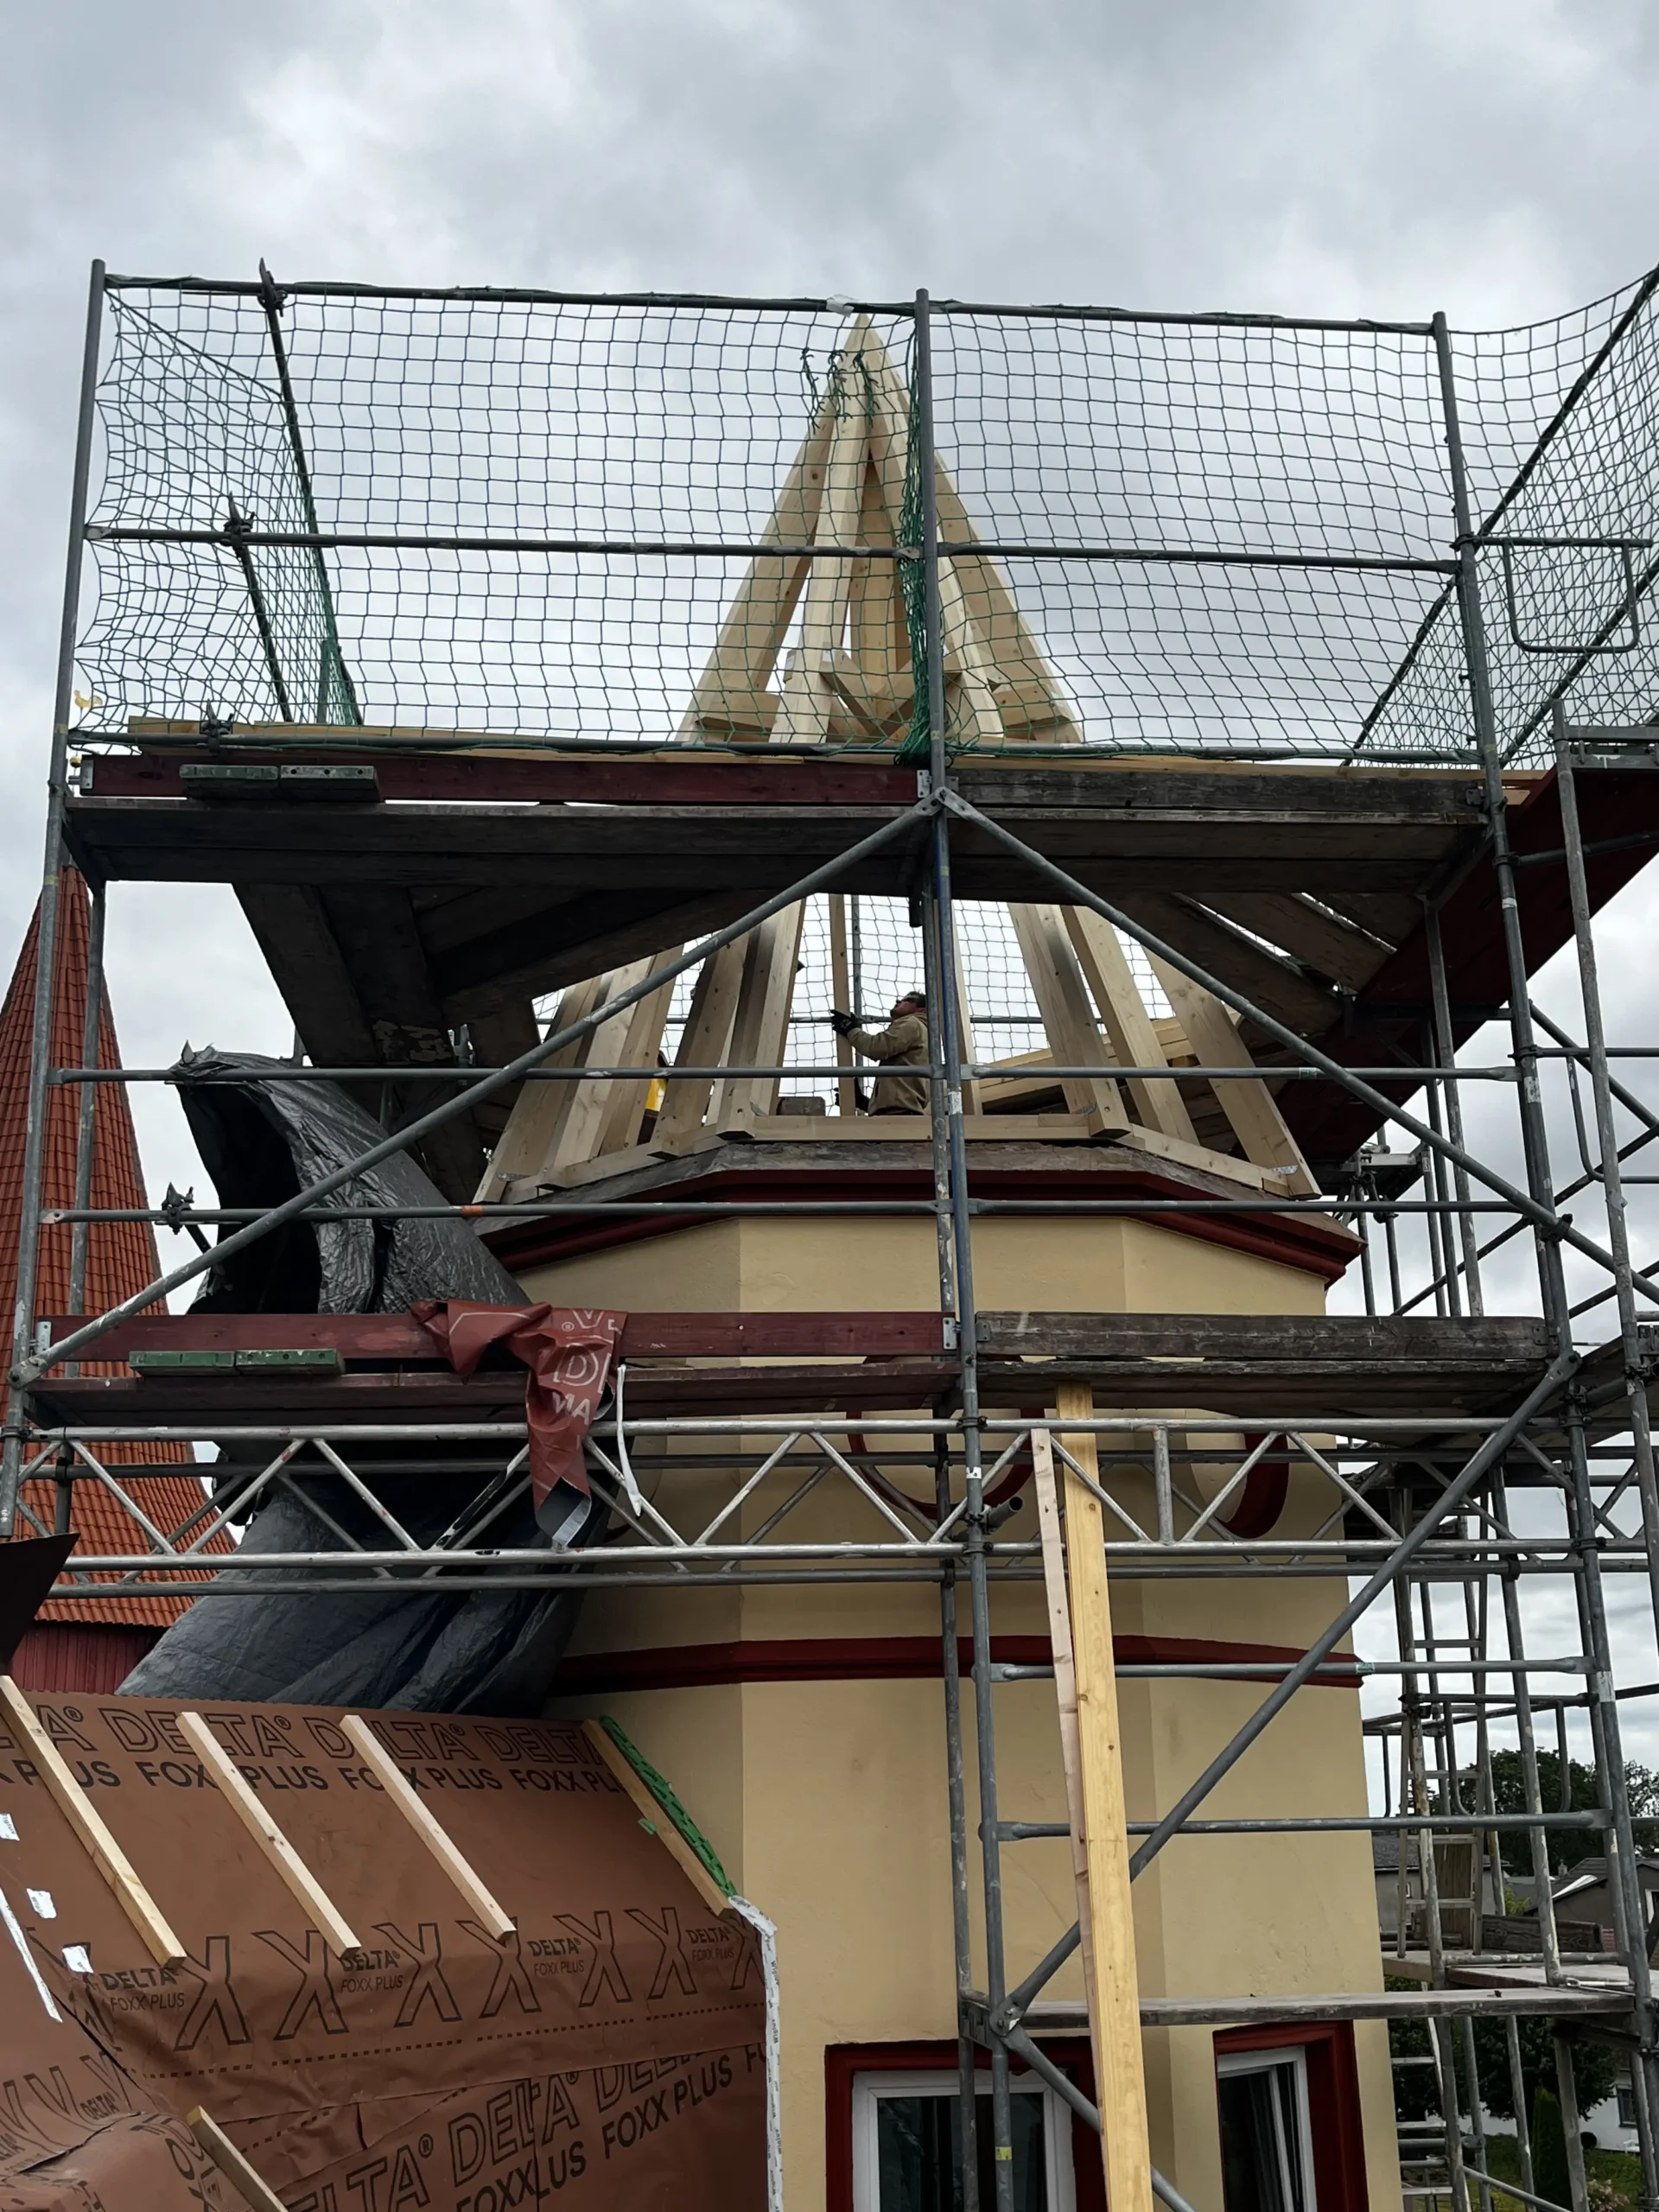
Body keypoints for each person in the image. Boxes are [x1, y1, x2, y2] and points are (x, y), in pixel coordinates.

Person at [830, 990, 929, 1115]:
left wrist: (850, 1030)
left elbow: (877, 1048)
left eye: (909, 1000)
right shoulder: (923, 1033)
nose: (898, 1001)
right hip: (901, 1113)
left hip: (898, 1114)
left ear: (922, 1011)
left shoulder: (912, 1023)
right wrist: (863, 1103)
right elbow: (900, 1095)